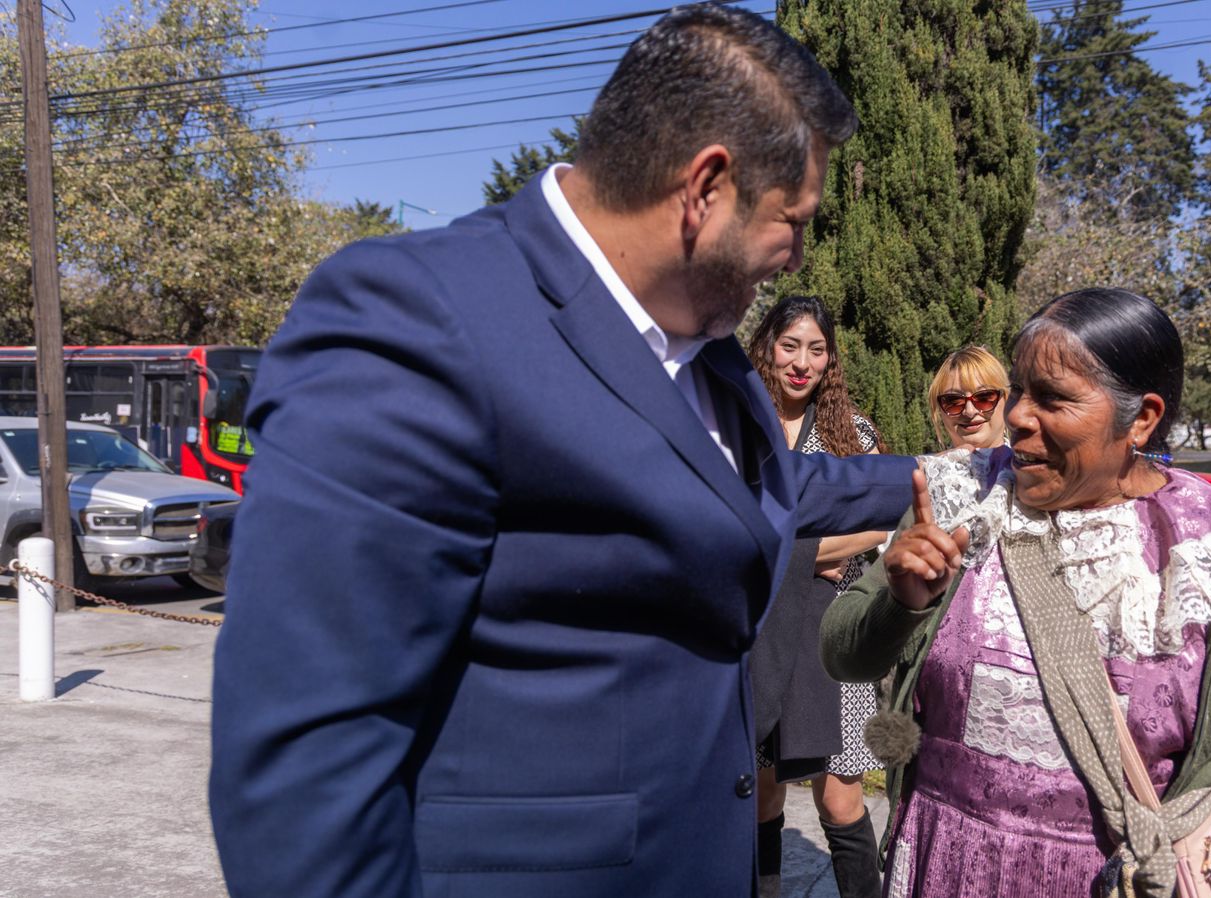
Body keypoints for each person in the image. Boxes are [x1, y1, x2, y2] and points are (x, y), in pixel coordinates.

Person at [207, 7, 918, 898]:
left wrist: (947, 475)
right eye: (793, 220)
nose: (798, 257)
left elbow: (762, 489)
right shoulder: (418, 319)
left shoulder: (702, 347)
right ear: (705, 187)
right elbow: (306, 774)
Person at [821, 288, 1211, 898]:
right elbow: (842, 654)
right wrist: (902, 604)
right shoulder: (961, 500)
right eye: (1019, 390)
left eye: (1053, 398)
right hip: (944, 863)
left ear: (1141, 418)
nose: (1018, 415)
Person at [745, 296, 888, 898]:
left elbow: (880, 522)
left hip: (833, 637)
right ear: (767, 348)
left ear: (830, 359)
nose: (802, 363)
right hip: (760, 629)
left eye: (816, 349)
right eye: (790, 346)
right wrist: (809, 555)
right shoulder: (738, 424)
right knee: (762, 792)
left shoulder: (851, 431)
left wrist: (792, 550)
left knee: (840, 797)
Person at [927, 345, 1009, 450]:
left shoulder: (1028, 460)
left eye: (983, 398)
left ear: (1007, 401)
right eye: (953, 402)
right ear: (940, 410)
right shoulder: (920, 461)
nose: (969, 411)